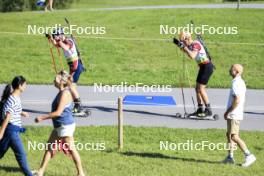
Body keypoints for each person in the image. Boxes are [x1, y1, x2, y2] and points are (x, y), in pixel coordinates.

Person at [34, 70, 85, 176]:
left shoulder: (65, 94)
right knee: (50, 146)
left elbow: (58, 113)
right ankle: (41, 171)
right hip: (61, 126)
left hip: (64, 127)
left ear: (61, 81)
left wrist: (42, 117)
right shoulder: (63, 91)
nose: (54, 80)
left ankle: (81, 173)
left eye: (56, 78)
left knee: (72, 149)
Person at [46, 28, 87, 116]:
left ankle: (78, 107)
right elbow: (56, 45)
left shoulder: (68, 41)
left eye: (56, 36)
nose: (56, 39)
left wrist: (59, 41)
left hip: (76, 67)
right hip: (73, 67)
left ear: (61, 35)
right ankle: (77, 106)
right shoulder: (62, 41)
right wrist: (50, 38)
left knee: (71, 86)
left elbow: (66, 48)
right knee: (71, 86)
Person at [222, 64, 256, 167]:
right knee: (229, 135)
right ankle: (230, 157)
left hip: (234, 114)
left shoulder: (236, 83)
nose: (229, 70)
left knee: (234, 136)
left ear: (236, 71)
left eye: (231, 68)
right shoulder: (238, 82)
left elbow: (237, 100)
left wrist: (227, 112)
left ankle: (249, 155)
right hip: (234, 114)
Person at [173, 31, 214, 117]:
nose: (183, 42)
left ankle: (208, 109)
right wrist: (180, 46)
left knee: (201, 89)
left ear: (188, 38)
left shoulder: (196, 44)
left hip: (207, 67)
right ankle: (200, 109)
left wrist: (184, 47)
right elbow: (188, 53)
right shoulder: (190, 45)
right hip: (203, 67)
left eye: (183, 41)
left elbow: (192, 56)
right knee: (197, 89)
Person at [0, 76, 33, 176]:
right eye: (25, 84)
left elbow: (12, 110)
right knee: (21, 155)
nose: (26, 86)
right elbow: (7, 117)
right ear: (19, 86)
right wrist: (1, 133)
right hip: (11, 132)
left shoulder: (14, 97)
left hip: (11, 131)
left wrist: (21, 112)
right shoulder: (13, 99)